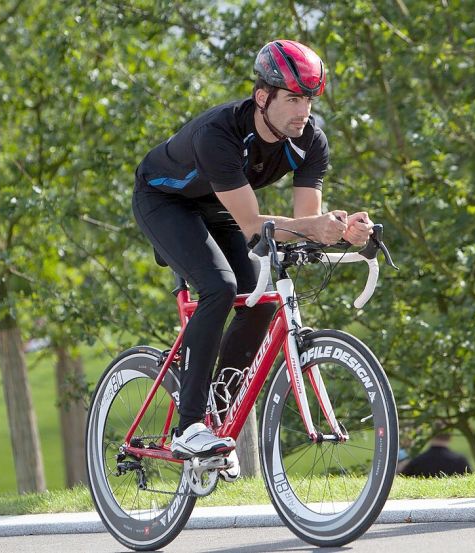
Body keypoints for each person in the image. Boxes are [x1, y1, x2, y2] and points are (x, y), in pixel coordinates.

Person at [132, 40, 373, 478]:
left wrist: (342, 230)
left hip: (217, 205)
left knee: (259, 299)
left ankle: (217, 418)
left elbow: (305, 223)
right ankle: (189, 427)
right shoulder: (220, 133)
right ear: (263, 97)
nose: (304, 111)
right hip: (164, 201)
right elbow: (251, 225)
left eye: (309, 100)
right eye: (294, 99)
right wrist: (315, 226)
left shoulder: (309, 140)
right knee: (220, 287)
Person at [399, 434, 471, 478]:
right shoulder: (460, 461)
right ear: (450, 438)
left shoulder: (417, 461)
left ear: (430, 436)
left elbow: (403, 477)